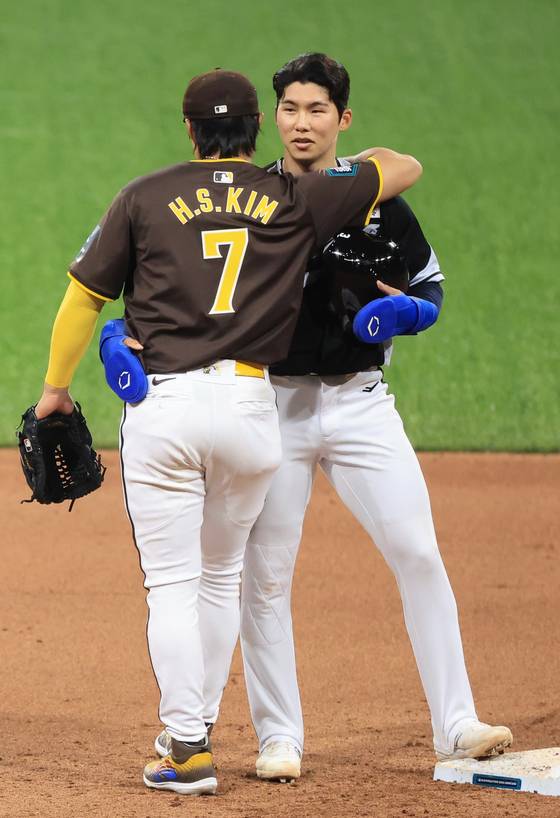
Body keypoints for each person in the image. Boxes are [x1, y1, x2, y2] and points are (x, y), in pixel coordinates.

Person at [33, 68, 422, 795]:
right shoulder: (299, 197)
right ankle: (192, 731)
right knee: (220, 579)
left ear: (189, 130)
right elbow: (403, 167)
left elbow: (83, 299)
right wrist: (354, 161)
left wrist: (56, 391)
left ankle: (187, 750)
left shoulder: (144, 196)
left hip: (168, 410)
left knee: (173, 583)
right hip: (252, 414)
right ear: (256, 130)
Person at [235, 53, 513, 781]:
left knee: (419, 553)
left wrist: (414, 312)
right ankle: (279, 737)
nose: (302, 123)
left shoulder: (378, 198)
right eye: (290, 109)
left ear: (342, 120)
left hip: (362, 406)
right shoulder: (254, 200)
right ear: (275, 117)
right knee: (265, 576)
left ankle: (456, 722)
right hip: (276, 410)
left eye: (316, 110)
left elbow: (430, 282)